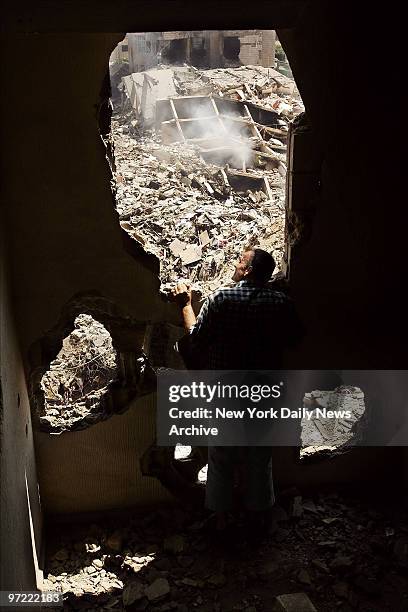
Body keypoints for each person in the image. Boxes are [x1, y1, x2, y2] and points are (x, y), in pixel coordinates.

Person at [172, 248, 303, 536]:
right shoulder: (281, 302)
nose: (235, 263)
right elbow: (295, 339)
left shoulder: (221, 299)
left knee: (221, 456)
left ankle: (221, 520)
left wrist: (185, 304)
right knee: (259, 456)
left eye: (240, 261)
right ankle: (259, 520)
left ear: (247, 270)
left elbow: (196, 341)